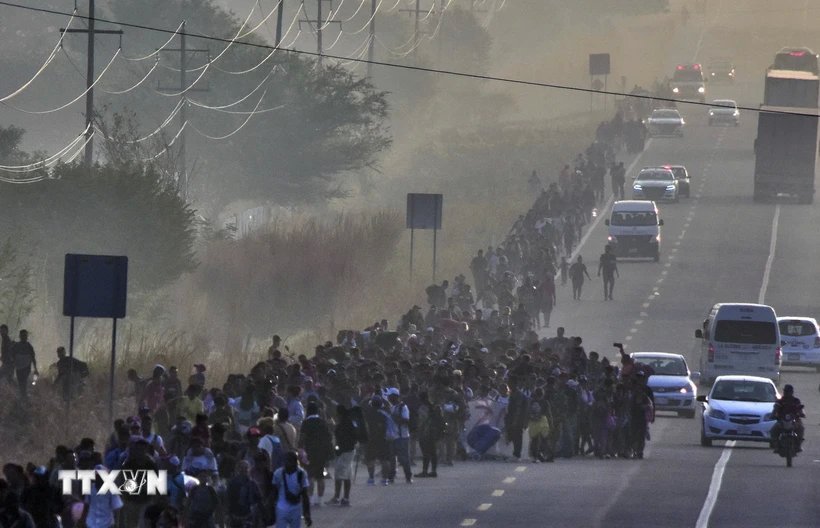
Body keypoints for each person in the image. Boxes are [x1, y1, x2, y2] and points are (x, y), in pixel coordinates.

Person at [272, 451, 312, 528]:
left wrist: (307, 514)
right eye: (286, 461)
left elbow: (305, 495)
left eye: (290, 461)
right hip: (282, 509)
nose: (287, 464)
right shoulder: (278, 473)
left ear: (294, 462)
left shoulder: (301, 473)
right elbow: (274, 492)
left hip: (294, 509)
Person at [327, 405, 357, 506]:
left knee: (339, 474)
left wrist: (337, 450)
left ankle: (337, 497)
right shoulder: (351, 422)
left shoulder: (343, 424)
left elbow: (339, 438)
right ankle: (346, 497)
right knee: (347, 474)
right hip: (350, 451)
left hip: (343, 452)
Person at [770, 384, 805, 452]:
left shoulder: (796, 400)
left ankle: (798, 445)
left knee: (801, 428)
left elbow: (800, 409)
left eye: (788, 391)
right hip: (782, 421)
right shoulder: (780, 401)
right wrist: (773, 415)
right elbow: (775, 409)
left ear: (792, 392)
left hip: (794, 420)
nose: (786, 393)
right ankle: (776, 446)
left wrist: (801, 414)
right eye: (785, 391)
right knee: (773, 430)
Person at [11, 329, 37, 399]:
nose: (24, 337)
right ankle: (23, 395)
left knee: (24, 381)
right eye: (22, 335)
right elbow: (12, 356)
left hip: (26, 367)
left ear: (27, 336)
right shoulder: (16, 345)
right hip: (19, 367)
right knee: (20, 382)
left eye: (25, 335)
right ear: (20, 336)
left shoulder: (29, 346)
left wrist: (36, 369)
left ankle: (24, 396)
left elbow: (33, 358)